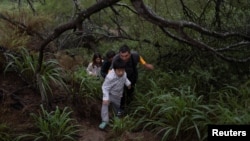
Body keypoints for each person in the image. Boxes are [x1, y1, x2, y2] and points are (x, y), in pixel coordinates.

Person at [111, 44, 154, 115]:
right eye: (122, 56)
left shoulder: (135, 55)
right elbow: (111, 69)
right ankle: (121, 109)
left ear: (130, 54)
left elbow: (140, 58)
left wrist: (145, 65)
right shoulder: (116, 58)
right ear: (119, 54)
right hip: (121, 78)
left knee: (130, 92)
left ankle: (129, 106)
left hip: (132, 76)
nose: (124, 58)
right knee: (121, 93)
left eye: (126, 56)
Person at [99, 58, 131, 129]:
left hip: (118, 95)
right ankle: (105, 121)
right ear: (114, 69)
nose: (121, 73)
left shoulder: (124, 74)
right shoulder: (110, 77)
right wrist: (105, 98)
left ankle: (115, 116)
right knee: (105, 105)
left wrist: (128, 84)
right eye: (119, 71)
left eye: (122, 70)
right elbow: (105, 87)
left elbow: (125, 79)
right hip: (110, 94)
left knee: (116, 107)